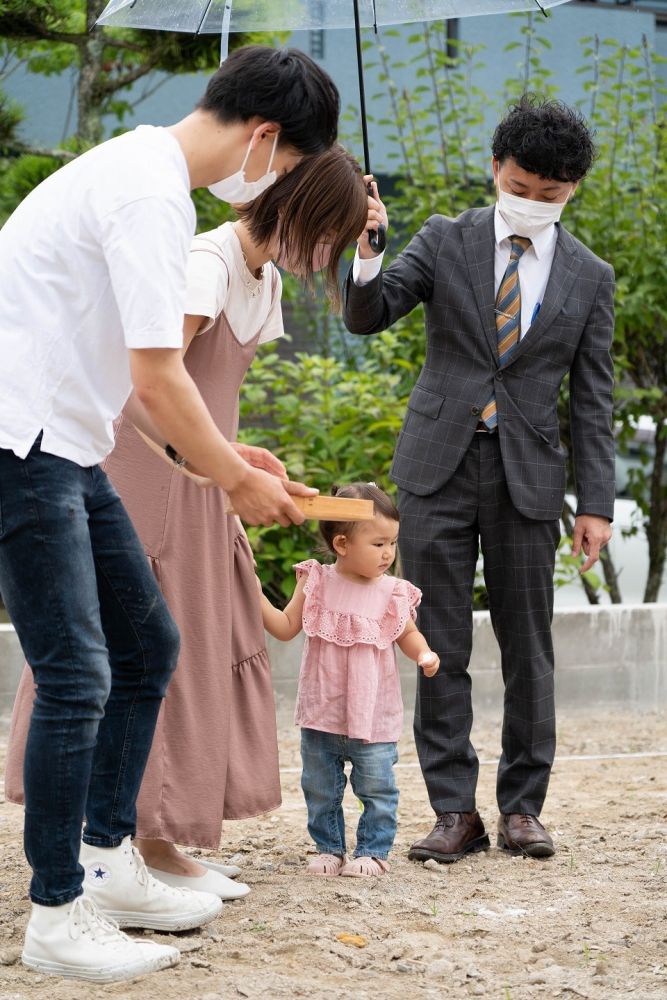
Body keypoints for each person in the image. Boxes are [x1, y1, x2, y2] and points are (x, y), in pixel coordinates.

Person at [0, 44, 340, 983]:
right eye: (293, 169)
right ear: (267, 139)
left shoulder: (142, 171)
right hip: (19, 442)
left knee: (147, 646)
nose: (277, 188)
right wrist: (234, 482)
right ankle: (58, 913)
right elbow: (158, 374)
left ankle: (109, 863)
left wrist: (224, 461)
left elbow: (140, 391)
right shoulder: (152, 197)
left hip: (62, 438)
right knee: (77, 676)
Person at [343, 97, 615, 863]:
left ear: (573, 190)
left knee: (529, 645)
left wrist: (595, 502)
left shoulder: (590, 275)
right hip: (436, 467)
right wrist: (366, 249)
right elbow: (369, 316)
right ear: (496, 168)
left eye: (550, 193)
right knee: (441, 643)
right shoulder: (442, 239)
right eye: (521, 185)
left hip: (528, 476)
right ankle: (453, 812)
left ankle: (523, 809)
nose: (531, 202)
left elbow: (592, 398)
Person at [259, 483, 440, 878]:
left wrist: (424, 653)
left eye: (392, 542)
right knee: (320, 789)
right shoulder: (316, 581)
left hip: (373, 718)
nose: (389, 553)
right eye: (378, 544)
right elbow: (287, 626)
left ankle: (372, 851)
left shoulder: (393, 591)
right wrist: (251, 594)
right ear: (341, 544)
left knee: (377, 789)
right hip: (321, 713)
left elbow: (407, 634)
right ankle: (329, 848)